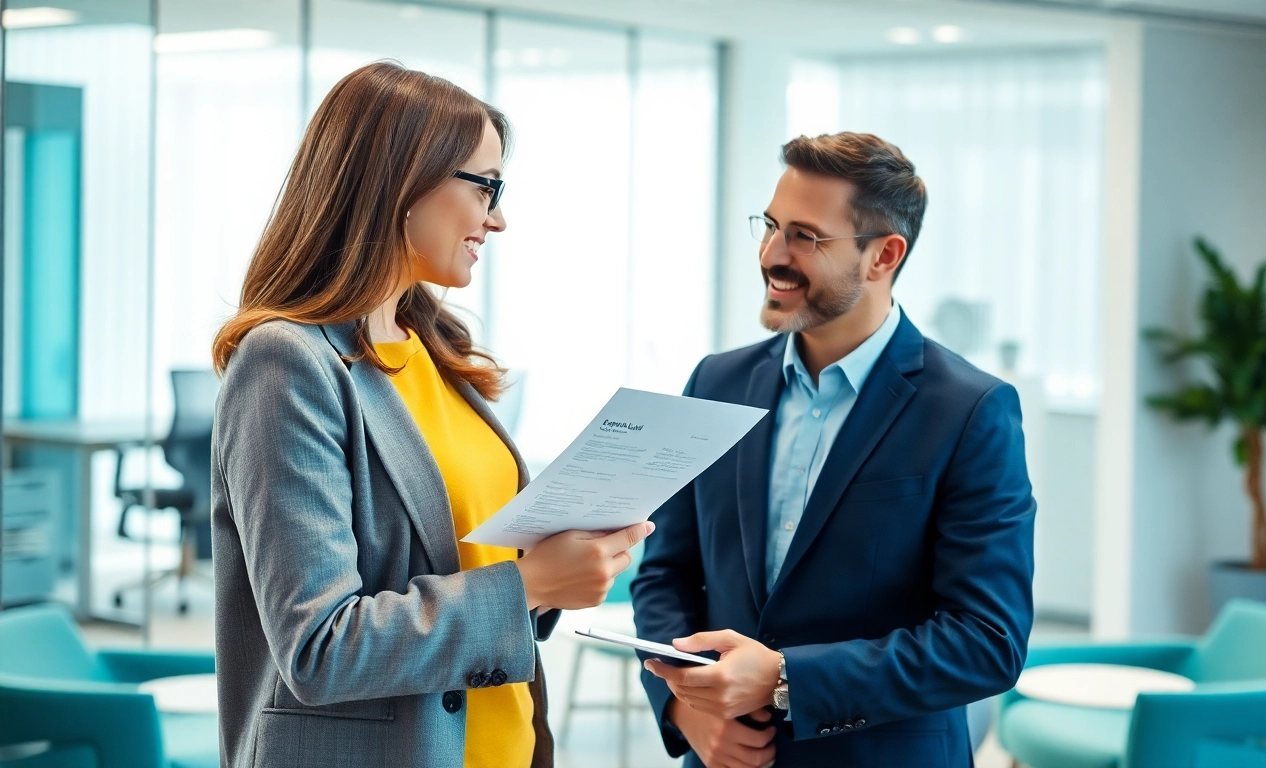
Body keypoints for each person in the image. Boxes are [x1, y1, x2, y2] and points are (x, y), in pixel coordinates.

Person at [210, 61, 651, 768]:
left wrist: (553, 571)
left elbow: (468, 567)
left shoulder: (436, 350)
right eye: (486, 186)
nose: (497, 218)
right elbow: (320, 648)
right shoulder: (287, 363)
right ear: (401, 182)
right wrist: (531, 584)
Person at [632, 132, 1035, 768]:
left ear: (883, 256)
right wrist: (685, 709)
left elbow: (987, 640)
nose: (772, 254)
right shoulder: (716, 381)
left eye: (805, 237)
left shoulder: (970, 410)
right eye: (770, 226)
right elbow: (666, 571)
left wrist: (786, 678)